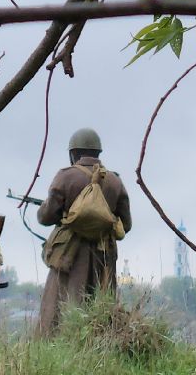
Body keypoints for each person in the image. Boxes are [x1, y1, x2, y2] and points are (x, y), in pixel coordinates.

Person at [35, 127, 132, 336]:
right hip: (103, 256)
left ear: (73, 153)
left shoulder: (65, 177)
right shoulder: (115, 181)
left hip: (69, 256)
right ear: (98, 153)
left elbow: (45, 217)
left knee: (56, 312)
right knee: (101, 310)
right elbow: (127, 225)